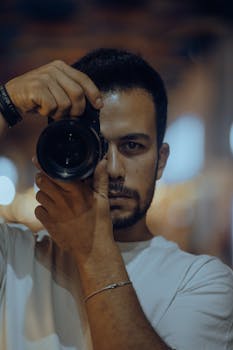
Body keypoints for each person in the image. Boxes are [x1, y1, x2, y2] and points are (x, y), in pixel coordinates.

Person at [0, 48, 232, 350]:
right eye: (95, 147)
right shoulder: (13, 258)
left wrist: (93, 249)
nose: (111, 168)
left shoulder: (202, 281)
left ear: (160, 162)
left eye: (132, 146)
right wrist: (6, 102)